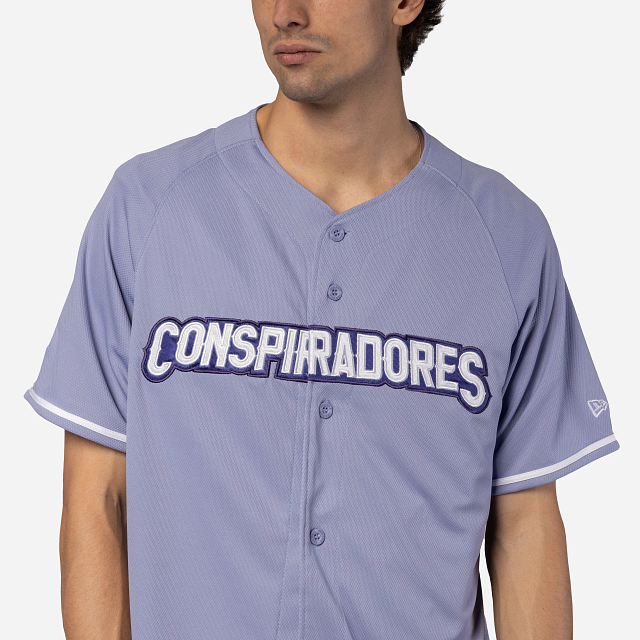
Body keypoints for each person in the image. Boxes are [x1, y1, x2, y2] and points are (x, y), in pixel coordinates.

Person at [24, 1, 619, 639]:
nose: (286, 13)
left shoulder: (504, 237)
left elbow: (525, 522)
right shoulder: (148, 208)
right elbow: (96, 497)